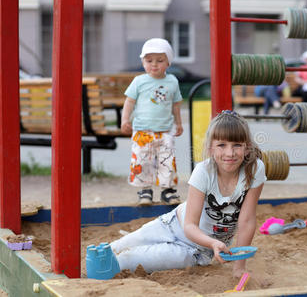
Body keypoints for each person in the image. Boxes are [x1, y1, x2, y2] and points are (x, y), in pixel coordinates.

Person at [110, 110, 266, 277]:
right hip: (170, 225)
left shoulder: (254, 169)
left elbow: (247, 220)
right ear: (210, 147)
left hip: (195, 250)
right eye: (222, 145)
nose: (230, 153)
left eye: (237, 145)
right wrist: (213, 242)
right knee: (114, 248)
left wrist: (238, 267)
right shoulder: (204, 171)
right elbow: (190, 225)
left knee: (125, 260)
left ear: (247, 147)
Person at [121, 38, 183, 206]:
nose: (154, 65)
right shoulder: (139, 81)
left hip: (165, 130)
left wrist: (179, 123)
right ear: (143, 62)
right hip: (143, 130)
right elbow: (129, 102)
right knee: (142, 160)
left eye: (160, 61)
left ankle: (167, 190)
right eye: (149, 61)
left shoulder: (172, 81)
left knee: (167, 160)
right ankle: (145, 190)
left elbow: (175, 105)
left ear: (168, 62)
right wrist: (125, 119)